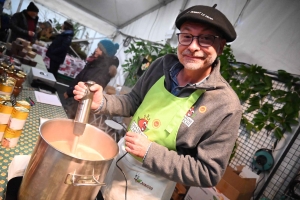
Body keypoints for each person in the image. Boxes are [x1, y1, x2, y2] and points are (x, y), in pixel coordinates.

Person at [74, 4, 242, 200]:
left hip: (149, 186)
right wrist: (103, 102)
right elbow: (133, 100)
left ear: (220, 46)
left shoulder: (225, 105)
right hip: (118, 162)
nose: (193, 46)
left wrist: (150, 152)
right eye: (187, 36)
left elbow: (208, 172)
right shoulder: (162, 67)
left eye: (206, 39)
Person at [63, 39, 119, 119]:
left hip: (80, 104)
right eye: (97, 47)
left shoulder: (104, 71)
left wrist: (69, 92)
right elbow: (80, 76)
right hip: (75, 97)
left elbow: (87, 88)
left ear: (104, 53)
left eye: (99, 48)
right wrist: (70, 89)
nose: (96, 49)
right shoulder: (95, 63)